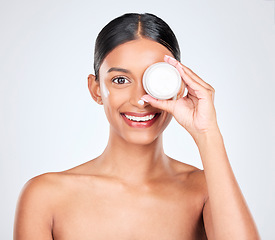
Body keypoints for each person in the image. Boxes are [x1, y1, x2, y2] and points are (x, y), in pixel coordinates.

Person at [13, 13, 260, 239]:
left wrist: (207, 133)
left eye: (157, 79)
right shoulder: (45, 197)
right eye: (120, 80)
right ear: (96, 89)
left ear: (179, 86)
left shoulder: (206, 191)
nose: (140, 99)